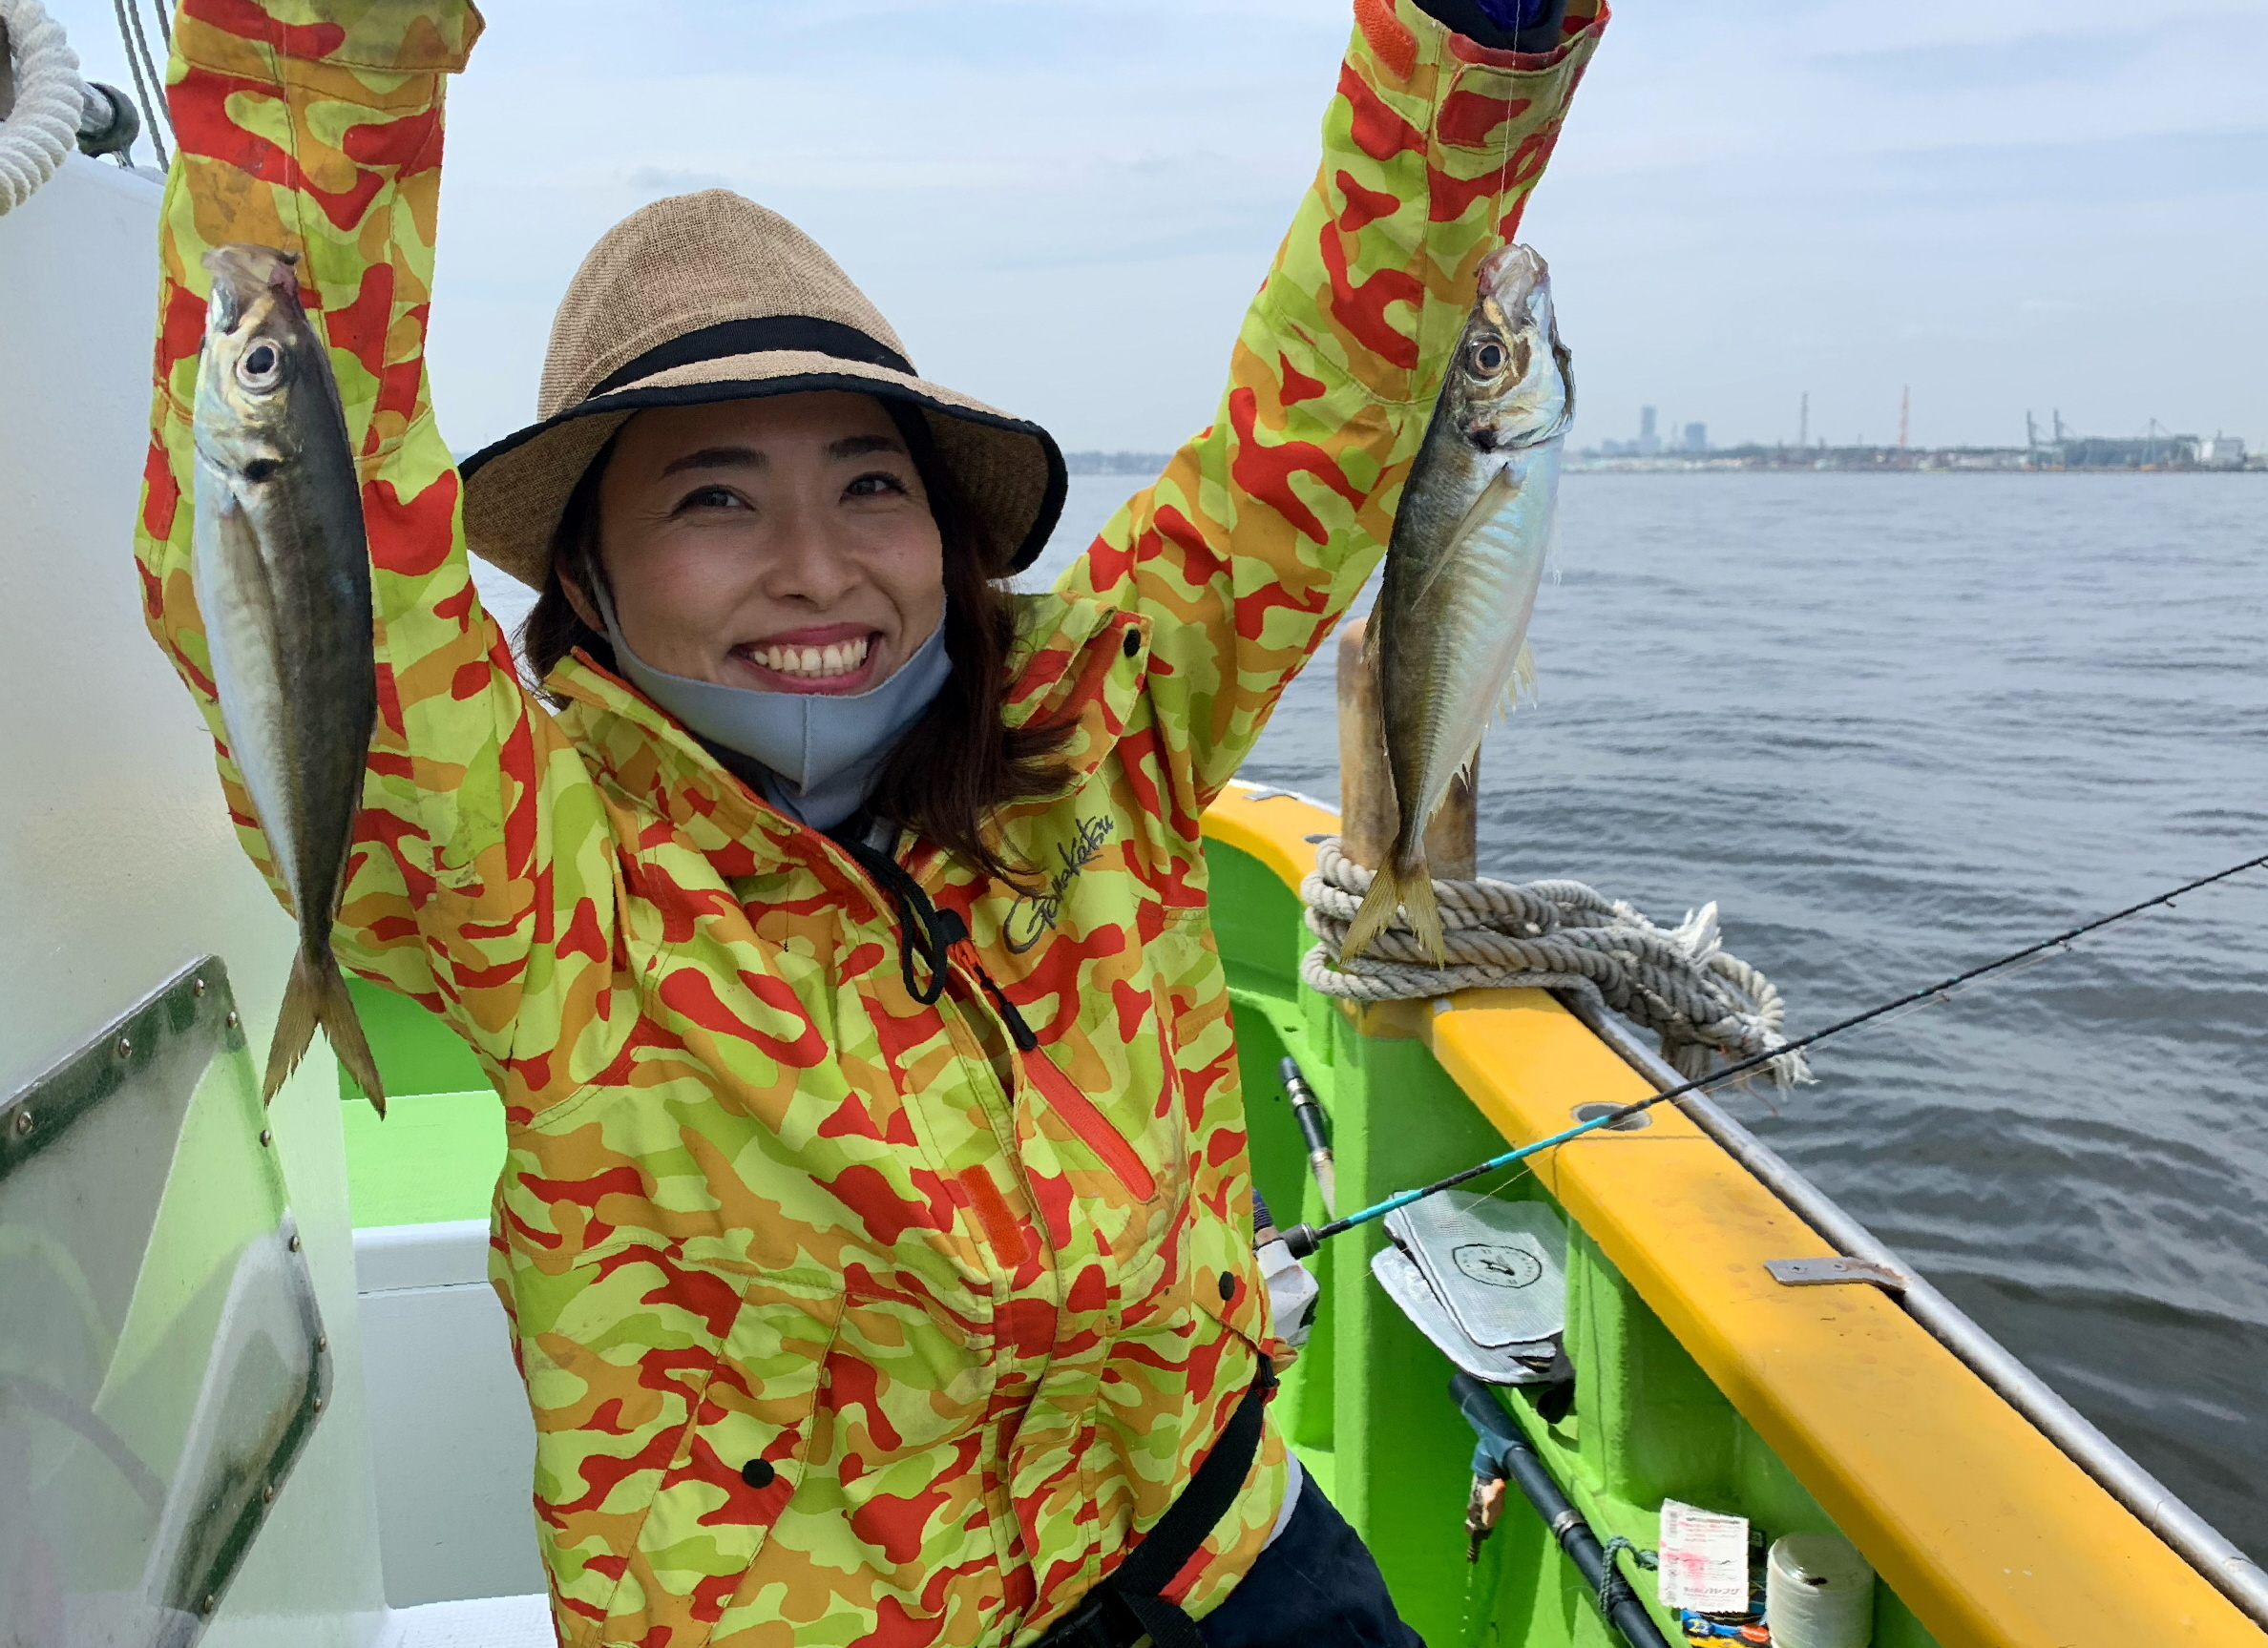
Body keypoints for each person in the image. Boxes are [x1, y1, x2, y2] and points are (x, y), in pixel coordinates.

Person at [135, 0, 1605, 1642]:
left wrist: (1475, 53)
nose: (819, 566)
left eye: (870, 483)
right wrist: (313, 42)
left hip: (1233, 1556)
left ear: (943, 526)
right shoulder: (540, 874)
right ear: (589, 581)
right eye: (712, 496)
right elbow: (300, 505)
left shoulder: (1105, 720)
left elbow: (1328, 409)